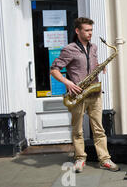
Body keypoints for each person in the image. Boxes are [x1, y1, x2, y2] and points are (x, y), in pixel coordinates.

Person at [50, 17, 119, 172]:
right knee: (78, 130)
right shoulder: (69, 49)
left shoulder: (94, 47)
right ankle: (80, 158)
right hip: (77, 94)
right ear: (77, 31)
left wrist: (100, 67)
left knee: (99, 129)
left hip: (94, 92)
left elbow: (90, 64)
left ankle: (104, 159)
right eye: (87, 30)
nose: (90, 33)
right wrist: (68, 83)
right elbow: (54, 69)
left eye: (91, 30)